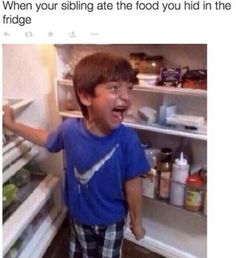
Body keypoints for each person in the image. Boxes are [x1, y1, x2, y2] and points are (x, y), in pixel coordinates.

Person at [3, 52, 150, 258]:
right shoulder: (69, 129)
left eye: (130, 88)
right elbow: (46, 139)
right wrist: (12, 125)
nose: (126, 97)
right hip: (78, 218)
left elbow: (133, 186)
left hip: (111, 222)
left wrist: (137, 221)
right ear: (85, 96)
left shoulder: (128, 140)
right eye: (114, 88)